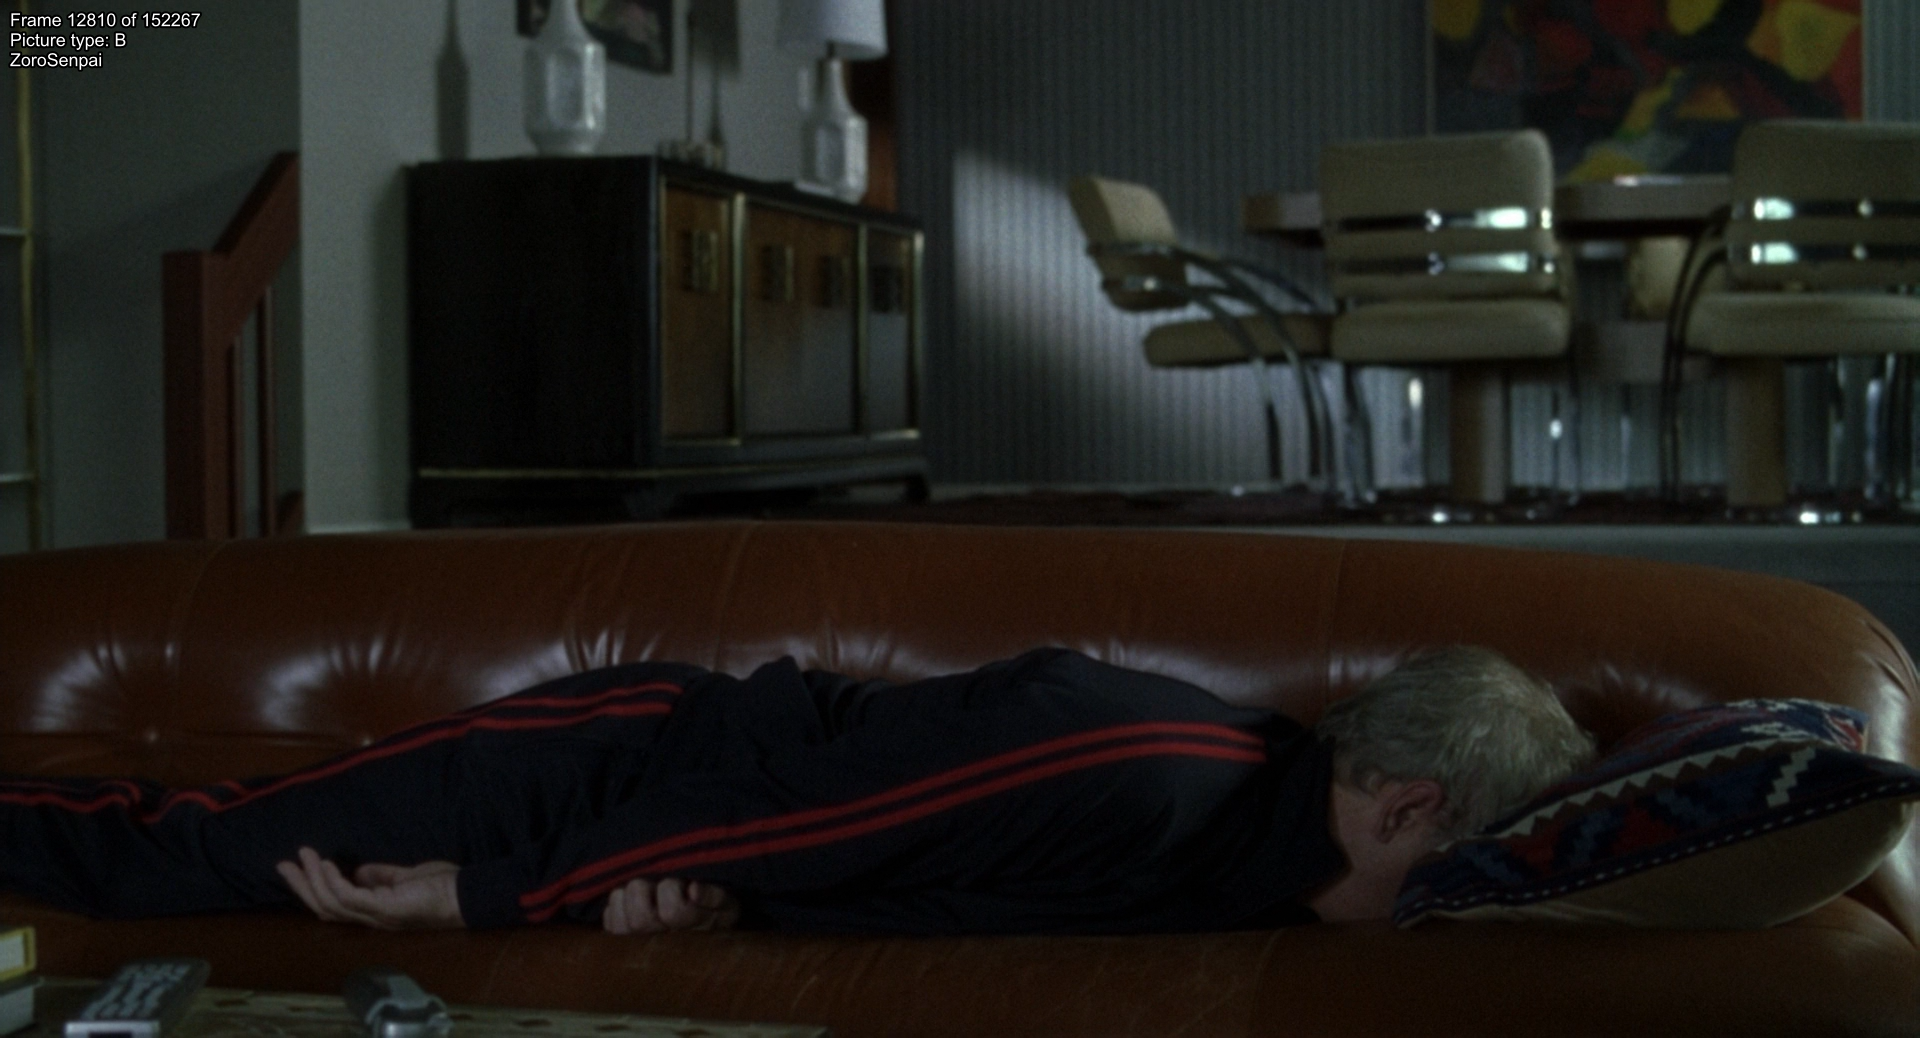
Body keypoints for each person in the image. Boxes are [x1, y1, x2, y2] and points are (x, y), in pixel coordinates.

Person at [0, 645, 1594, 936]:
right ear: (1405, 806)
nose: (1457, 906)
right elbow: (789, 812)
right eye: (1465, 865)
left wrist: (719, 913)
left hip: (665, 837)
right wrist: (486, 890)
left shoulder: (1248, 861)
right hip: (632, 760)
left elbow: (894, 884)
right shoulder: (1147, 768)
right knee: (196, 855)